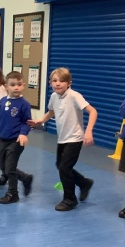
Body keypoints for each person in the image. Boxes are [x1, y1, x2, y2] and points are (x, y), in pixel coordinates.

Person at [28, 67, 97, 211]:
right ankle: (84, 183)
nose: (58, 83)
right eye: (54, 81)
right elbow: (52, 111)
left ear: (69, 83)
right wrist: (41, 121)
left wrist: (88, 131)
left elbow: (92, 111)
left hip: (75, 138)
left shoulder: (74, 96)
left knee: (64, 168)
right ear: (50, 83)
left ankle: (70, 199)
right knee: (60, 165)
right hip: (62, 138)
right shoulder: (54, 96)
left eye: (62, 81)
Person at [0, 71, 33, 204]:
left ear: (23, 85)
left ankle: (13, 193)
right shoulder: (3, 101)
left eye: (19, 84)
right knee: (4, 167)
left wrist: (23, 133)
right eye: (12, 85)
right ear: (6, 86)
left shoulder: (24, 104)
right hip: (2, 139)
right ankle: (25, 178)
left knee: (10, 168)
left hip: (16, 141)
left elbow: (26, 122)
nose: (16, 87)